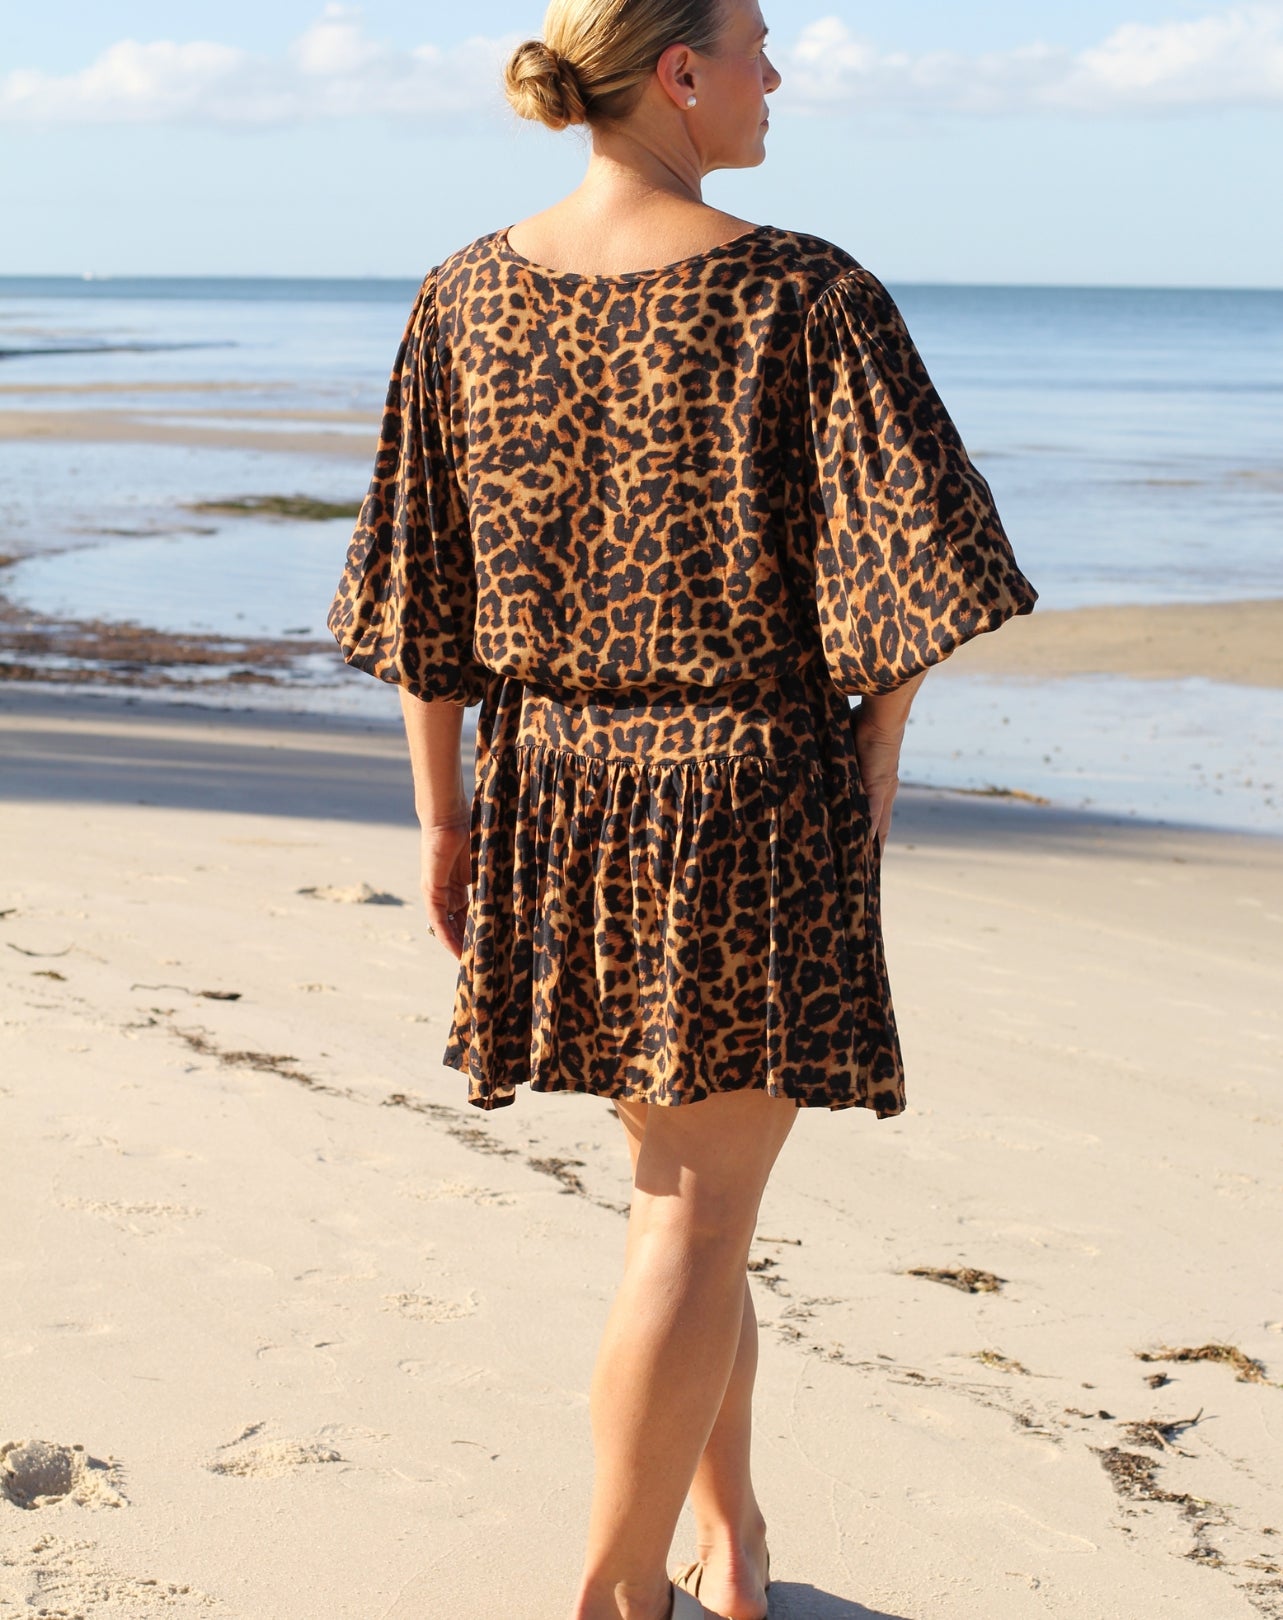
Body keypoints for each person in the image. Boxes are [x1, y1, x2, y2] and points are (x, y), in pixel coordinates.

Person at [327, 2, 1037, 1615]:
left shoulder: (460, 295)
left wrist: (445, 818)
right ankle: (613, 1593)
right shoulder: (806, 293)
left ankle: (736, 1542)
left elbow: (420, 596)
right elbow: (919, 557)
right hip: (743, 800)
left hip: (554, 789)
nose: (777, 77)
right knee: (695, 1225)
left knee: (689, 1205)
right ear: (679, 72)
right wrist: (878, 746)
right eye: (758, 44)